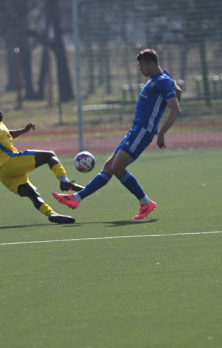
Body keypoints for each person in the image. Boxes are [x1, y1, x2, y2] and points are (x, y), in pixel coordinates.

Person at [53, 48, 181, 220]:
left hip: (143, 131)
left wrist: (162, 133)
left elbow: (176, 109)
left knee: (117, 168)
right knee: (108, 167)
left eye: (142, 66)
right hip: (136, 130)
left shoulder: (162, 81)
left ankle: (145, 202)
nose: (140, 69)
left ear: (151, 64)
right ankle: (76, 198)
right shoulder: (161, 79)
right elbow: (177, 91)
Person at [0, 98, 78, 224]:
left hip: (5, 175)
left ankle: (51, 214)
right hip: (11, 162)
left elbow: (7, 134)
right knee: (49, 155)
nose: (0, 112)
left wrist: (24, 131)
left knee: (33, 193)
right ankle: (64, 181)